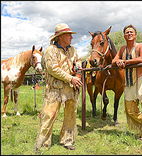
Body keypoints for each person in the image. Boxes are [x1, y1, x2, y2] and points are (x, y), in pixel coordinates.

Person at [35, 23, 82, 151]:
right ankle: (43, 143)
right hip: (54, 89)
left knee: (70, 115)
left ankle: (67, 140)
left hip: (71, 88)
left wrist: (77, 72)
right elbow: (53, 69)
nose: (71, 37)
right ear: (60, 37)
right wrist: (71, 78)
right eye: (68, 35)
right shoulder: (51, 50)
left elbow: (77, 62)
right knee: (49, 115)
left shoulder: (72, 50)